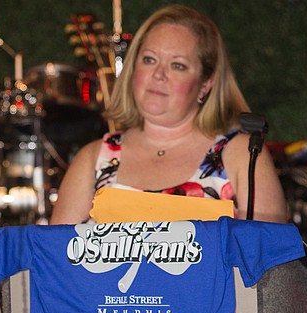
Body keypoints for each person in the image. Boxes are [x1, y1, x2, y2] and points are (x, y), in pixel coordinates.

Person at [50, 4, 287, 225]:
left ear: (206, 83)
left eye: (178, 65)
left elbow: (268, 263)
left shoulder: (244, 155)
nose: (158, 74)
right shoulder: (93, 159)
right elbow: (55, 260)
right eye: (149, 60)